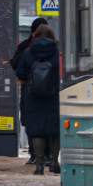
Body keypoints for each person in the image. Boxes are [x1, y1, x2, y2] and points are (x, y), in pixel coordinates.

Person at [17, 24, 60, 176]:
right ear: (52, 36)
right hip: (54, 97)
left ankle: (39, 166)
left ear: (34, 36)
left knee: (36, 131)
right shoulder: (57, 52)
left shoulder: (28, 52)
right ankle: (54, 162)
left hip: (33, 97)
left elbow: (20, 74)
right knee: (55, 130)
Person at [11, 17, 47, 165]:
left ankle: (44, 155)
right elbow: (15, 64)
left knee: (44, 123)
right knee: (31, 122)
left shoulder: (52, 47)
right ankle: (36, 154)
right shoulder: (26, 47)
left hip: (39, 91)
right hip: (34, 91)